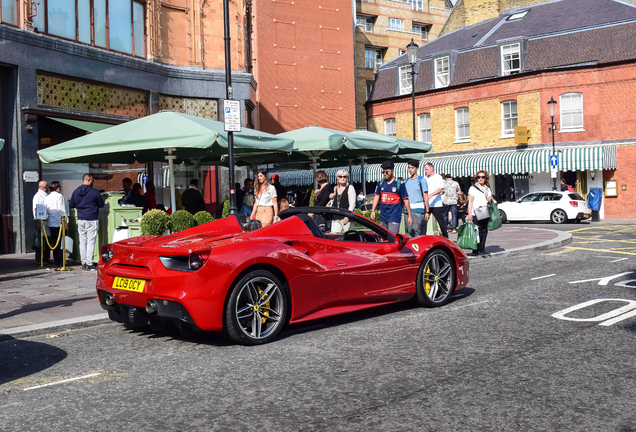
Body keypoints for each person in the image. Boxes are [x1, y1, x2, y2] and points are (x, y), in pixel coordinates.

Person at [69, 173, 104, 270]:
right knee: (91, 241)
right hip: (91, 218)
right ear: (89, 179)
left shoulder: (76, 191)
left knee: (82, 241)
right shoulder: (94, 192)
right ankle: (89, 263)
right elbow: (101, 204)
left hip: (80, 219)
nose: (93, 181)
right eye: (92, 180)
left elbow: (71, 205)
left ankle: (83, 262)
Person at [371, 161, 412, 235]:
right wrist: (373, 210)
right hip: (383, 216)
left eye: (387, 172)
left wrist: (409, 215)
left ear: (393, 171)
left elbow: (405, 200)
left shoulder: (399, 184)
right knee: (384, 238)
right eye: (383, 172)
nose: (385, 174)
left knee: (392, 238)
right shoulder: (380, 183)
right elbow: (376, 197)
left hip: (394, 216)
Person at [467, 170, 494, 256]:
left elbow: (489, 200)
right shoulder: (473, 188)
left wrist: (490, 198)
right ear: (477, 178)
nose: (481, 179)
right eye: (479, 177)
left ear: (486, 178)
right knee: (476, 231)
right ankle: (475, 249)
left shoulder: (487, 189)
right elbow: (470, 201)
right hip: (476, 212)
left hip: (485, 212)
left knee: (484, 231)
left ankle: (482, 248)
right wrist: (469, 213)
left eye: (483, 177)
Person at [403, 159, 429, 237]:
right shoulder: (406, 181)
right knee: (410, 231)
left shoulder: (421, 180)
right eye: (409, 168)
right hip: (407, 209)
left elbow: (425, 196)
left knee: (416, 232)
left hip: (418, 209)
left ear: (417, 169)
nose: (410, 170)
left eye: (412, 168)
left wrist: (427, 211)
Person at [44, 181, 68, 266]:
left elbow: (46, 209)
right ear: (57, 188)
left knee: (54, 242)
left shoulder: (47, 197)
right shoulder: (59, 196)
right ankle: (61, 260)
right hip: (59, 221)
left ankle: (56, 259)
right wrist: (66, 221)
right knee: (61, 242)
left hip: (51, 222)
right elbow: (62, 210)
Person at [423, 162, 448, 238]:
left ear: (432, 168)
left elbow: (440, 189)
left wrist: (431, 195)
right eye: (425, 170)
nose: (426, 171)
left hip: (437, 204)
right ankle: (422, 238)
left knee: (441, 223)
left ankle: (446, 238)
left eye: (427, 169)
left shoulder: (438, 177)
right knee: (423, 223)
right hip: (427, 204)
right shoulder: (425, 178)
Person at [33, 180, 50, 263]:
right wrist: (39, 221)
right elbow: (36, 209)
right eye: (47, 186)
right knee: (41, 241)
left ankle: (45, 258)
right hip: (41, 221)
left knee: (46, 241)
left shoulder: (45, 195)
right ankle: (40, 259)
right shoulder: (38, 196)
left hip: (45, 221)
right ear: (44, 187)